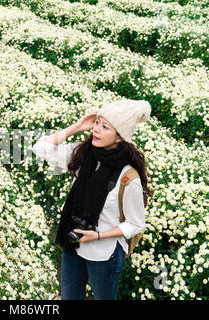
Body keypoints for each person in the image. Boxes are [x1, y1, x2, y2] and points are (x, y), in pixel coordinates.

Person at [32, 99, 153, 300]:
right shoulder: (82, 154)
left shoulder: (127, 176)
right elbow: (40, 148)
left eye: (105, 127)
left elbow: (135, 223)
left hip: (104, 254)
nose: (96, 129)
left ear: (120, 137)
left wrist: (97, 236)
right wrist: (77, 127)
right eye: (97, 122)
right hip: (73, 243)